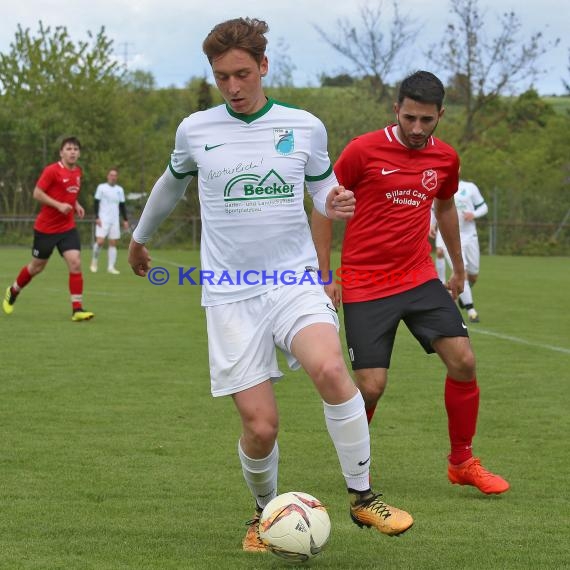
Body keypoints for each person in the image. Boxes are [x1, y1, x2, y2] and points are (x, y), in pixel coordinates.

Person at [128, 17, 413, 553]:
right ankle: (264, 515)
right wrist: (140, 238)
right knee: (261, 428)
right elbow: (171, 184)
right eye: (221, 77)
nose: (233, 87)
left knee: (330, 367)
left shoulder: (304, 125)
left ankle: (362, 496)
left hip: (293, 280)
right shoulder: (196, 130)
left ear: (263, 66)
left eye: (241, 74)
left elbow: (324, 189)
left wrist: (336, 203)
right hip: (230, 295)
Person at [311, 71, 509, 495]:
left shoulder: (445, 159)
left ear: (440, 115)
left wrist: (456, 268)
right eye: (410, 118)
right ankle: (355, 467)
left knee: (464, 361)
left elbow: (447, 207)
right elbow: (323, 205)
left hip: (419, 277)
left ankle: (461, 461)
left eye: (427, 120)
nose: (417, 129)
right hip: (365, 281)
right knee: (370, 386)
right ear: (396, 110)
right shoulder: (362, 150)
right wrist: (326, 274)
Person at [2, 137, 94, 322]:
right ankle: (13, 291)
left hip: (67, 227)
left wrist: (76, 204)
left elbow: (68, 192)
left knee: (75, 262)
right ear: (61, 152)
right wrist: (59, 205)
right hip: (46, 229)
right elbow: (37, 193)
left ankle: (77, 309)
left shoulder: (77, 171)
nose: (73, 151)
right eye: (69, 148)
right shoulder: (52, 170)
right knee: (37, 267)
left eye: (76, 149)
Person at [430, 179, 488, 323]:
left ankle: (464, 292)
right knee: (463, 270)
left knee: (473, 275)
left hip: (470, 236)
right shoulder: (439, 186)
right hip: (450, 236)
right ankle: (471, 311)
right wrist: (431, 224)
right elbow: (433, 208)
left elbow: (484, 207)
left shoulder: (470, 187)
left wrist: (474, 214)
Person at [90, 168, 130, 274]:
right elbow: (96, 203)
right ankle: (94, 262)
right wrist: (97, 217)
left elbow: (122, 206)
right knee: (100, 242)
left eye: (115, 175)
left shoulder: (119, 189)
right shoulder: (101, 187)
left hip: (115, 220)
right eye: (111, 175)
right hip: (103, 219)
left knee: (113, 243)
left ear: (117, 177)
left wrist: (125, 220)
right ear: (108, 176)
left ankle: (111, 267)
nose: (113, 177)